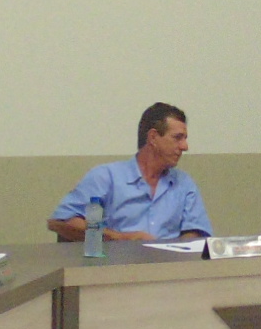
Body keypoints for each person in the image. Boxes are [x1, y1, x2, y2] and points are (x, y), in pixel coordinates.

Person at [49, 102, 212, 242]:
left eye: (185, 139)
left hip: (169, 266)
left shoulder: (183, 184)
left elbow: (196, 232)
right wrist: (120, 238)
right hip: (116, 265)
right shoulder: (106, 178)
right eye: (177, 138)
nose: (185, 147)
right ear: (153, 137)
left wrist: (178, 252)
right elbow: (62, 221)